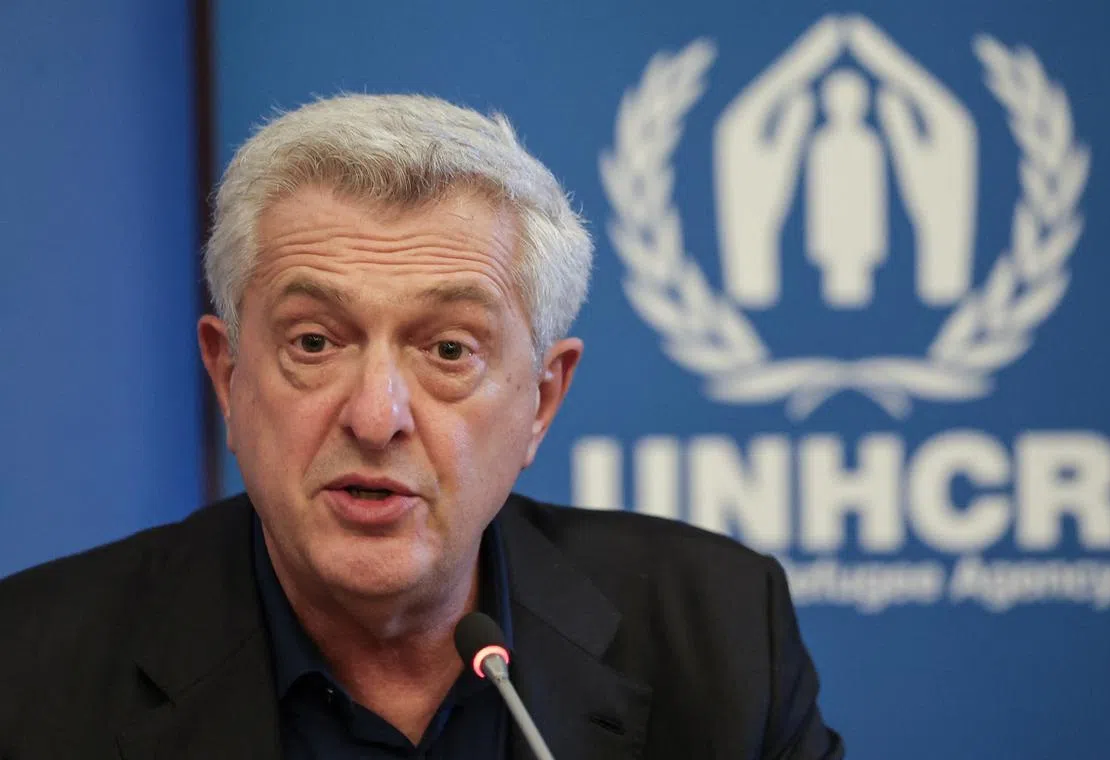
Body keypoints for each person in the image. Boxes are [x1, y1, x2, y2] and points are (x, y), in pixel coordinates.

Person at [0, 94, 844, 759]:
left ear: (542, 400)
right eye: (314, 342)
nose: (376, 418)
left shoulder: (720, 639)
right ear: (228, 376)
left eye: (448, 349)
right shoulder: (28, 674)